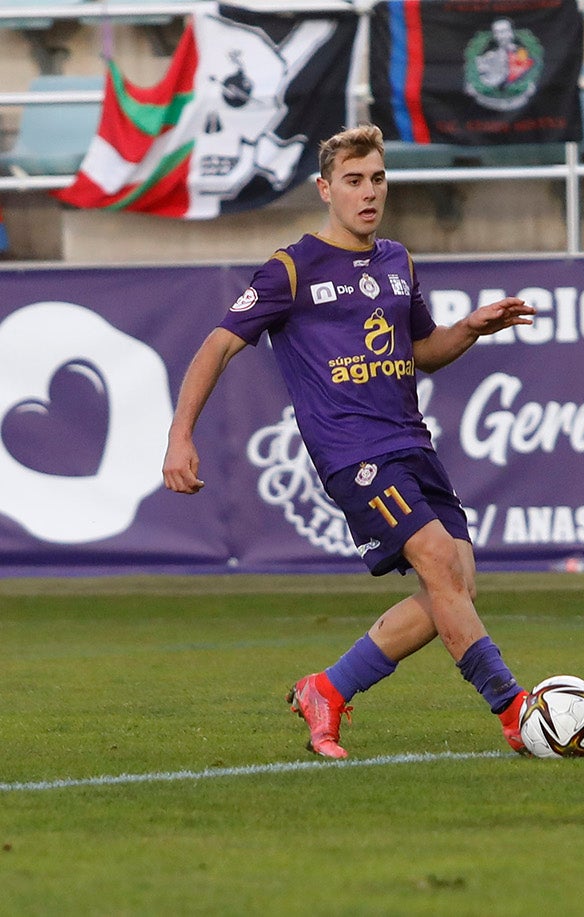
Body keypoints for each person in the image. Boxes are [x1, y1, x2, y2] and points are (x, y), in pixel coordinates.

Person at [162, 124, 537, 759]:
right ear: (325, 189)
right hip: (353, 454)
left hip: (412, 444)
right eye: (354, 181)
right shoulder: (291, 268)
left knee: (458, 583)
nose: (369, 192)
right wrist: (180, 435)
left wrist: (470, 328)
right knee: (441, 566)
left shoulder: (397, 260)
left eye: (378, 178)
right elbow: (219, 343)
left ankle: (328, 690)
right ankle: (513, 708)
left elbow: (421, 351)